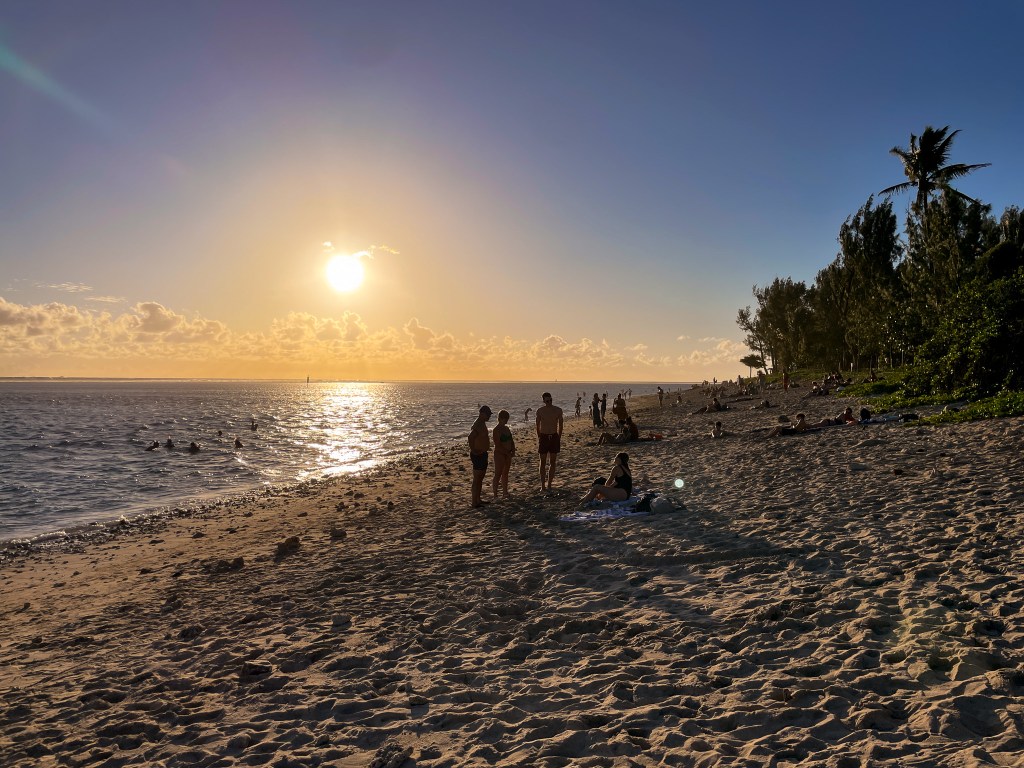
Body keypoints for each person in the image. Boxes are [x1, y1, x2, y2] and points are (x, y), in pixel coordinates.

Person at [536, 392, 564, 492]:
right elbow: (537, 425)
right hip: (544, 437)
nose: (549, 402)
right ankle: (542, 485)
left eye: (550, 400)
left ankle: (549, 484)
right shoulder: (540, 411)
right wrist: (539, 436)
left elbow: (561, 425)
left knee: (552, 462)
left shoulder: (558, 410)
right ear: (543, 401)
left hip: (554, 436)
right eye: (547, 401)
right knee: (542, 462)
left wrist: (559, 437)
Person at [468, 405, 492, 508]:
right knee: (477, 478)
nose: (489, 417)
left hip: (482, 453)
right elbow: (470, 437)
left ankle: (478, 499)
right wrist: (473, 450)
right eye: (488, 415)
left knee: (480, 478)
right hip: (478, 454)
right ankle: (474, 502)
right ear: (482, 414)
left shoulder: (482, 423)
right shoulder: (478, 424)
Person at [491, 409, 515, 499]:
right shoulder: (496, 430)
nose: (506, 421)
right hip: (499, 453)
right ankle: (495, 494)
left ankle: (505, 492)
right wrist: (506, 452)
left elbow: (511, 440)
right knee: (498, 473)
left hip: (508, 452)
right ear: (500, 418)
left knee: (505, 473)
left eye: (507, 419)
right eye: (505, 419)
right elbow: (497, 444)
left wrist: (513, 449)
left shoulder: (506, 428)